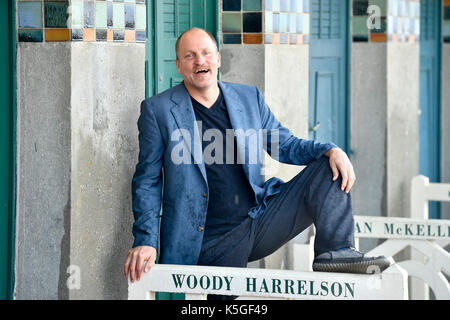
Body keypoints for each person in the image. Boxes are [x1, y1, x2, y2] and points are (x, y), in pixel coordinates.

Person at [124, 28, 390, 291]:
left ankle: (335, 252)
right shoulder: (158, 110)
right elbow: (147, 180)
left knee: (325, 167)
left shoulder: (248, 98)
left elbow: (285, 145)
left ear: (218, 58)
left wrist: (331, 149)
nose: (200, 61)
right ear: (179, 65)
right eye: (190, 56)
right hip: (209, 239)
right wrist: (146, 239)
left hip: (258, 219)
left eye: (206, 53)